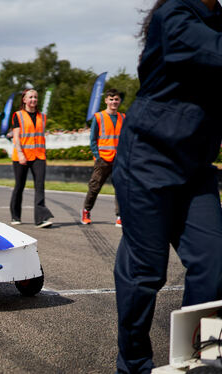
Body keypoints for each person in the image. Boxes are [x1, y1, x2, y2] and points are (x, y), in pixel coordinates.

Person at [113, 1, 222, 373]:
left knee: (214, 264)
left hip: (195, 169)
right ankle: (133, 363)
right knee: (145, 272)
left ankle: (200, 360)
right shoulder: (173, 15)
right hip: (147, 159)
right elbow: (204, 50)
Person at [9, 88, 54, 228]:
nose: (33, 100)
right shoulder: (18, 115)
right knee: (19, 186)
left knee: (40, 186)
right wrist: (20, 153)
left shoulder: (43, 117)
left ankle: (41, 219)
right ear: (24, 100)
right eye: (30, 97)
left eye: (35, 97)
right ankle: (15, 216)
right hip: (21, 156)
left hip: (39, 156)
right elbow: (16, 137)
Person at [81, 88, 125, 227]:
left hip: (118, 160)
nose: (114, 102)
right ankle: (86, 211)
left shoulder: (123, 117)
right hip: (103, 159)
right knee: (94, 187)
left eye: (116, 99)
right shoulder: (99, 117)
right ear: (106, 100)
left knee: (120, 188)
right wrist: (97, 156)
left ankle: (120, 216)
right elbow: (93, 139)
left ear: (119, 101)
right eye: (111, 99)